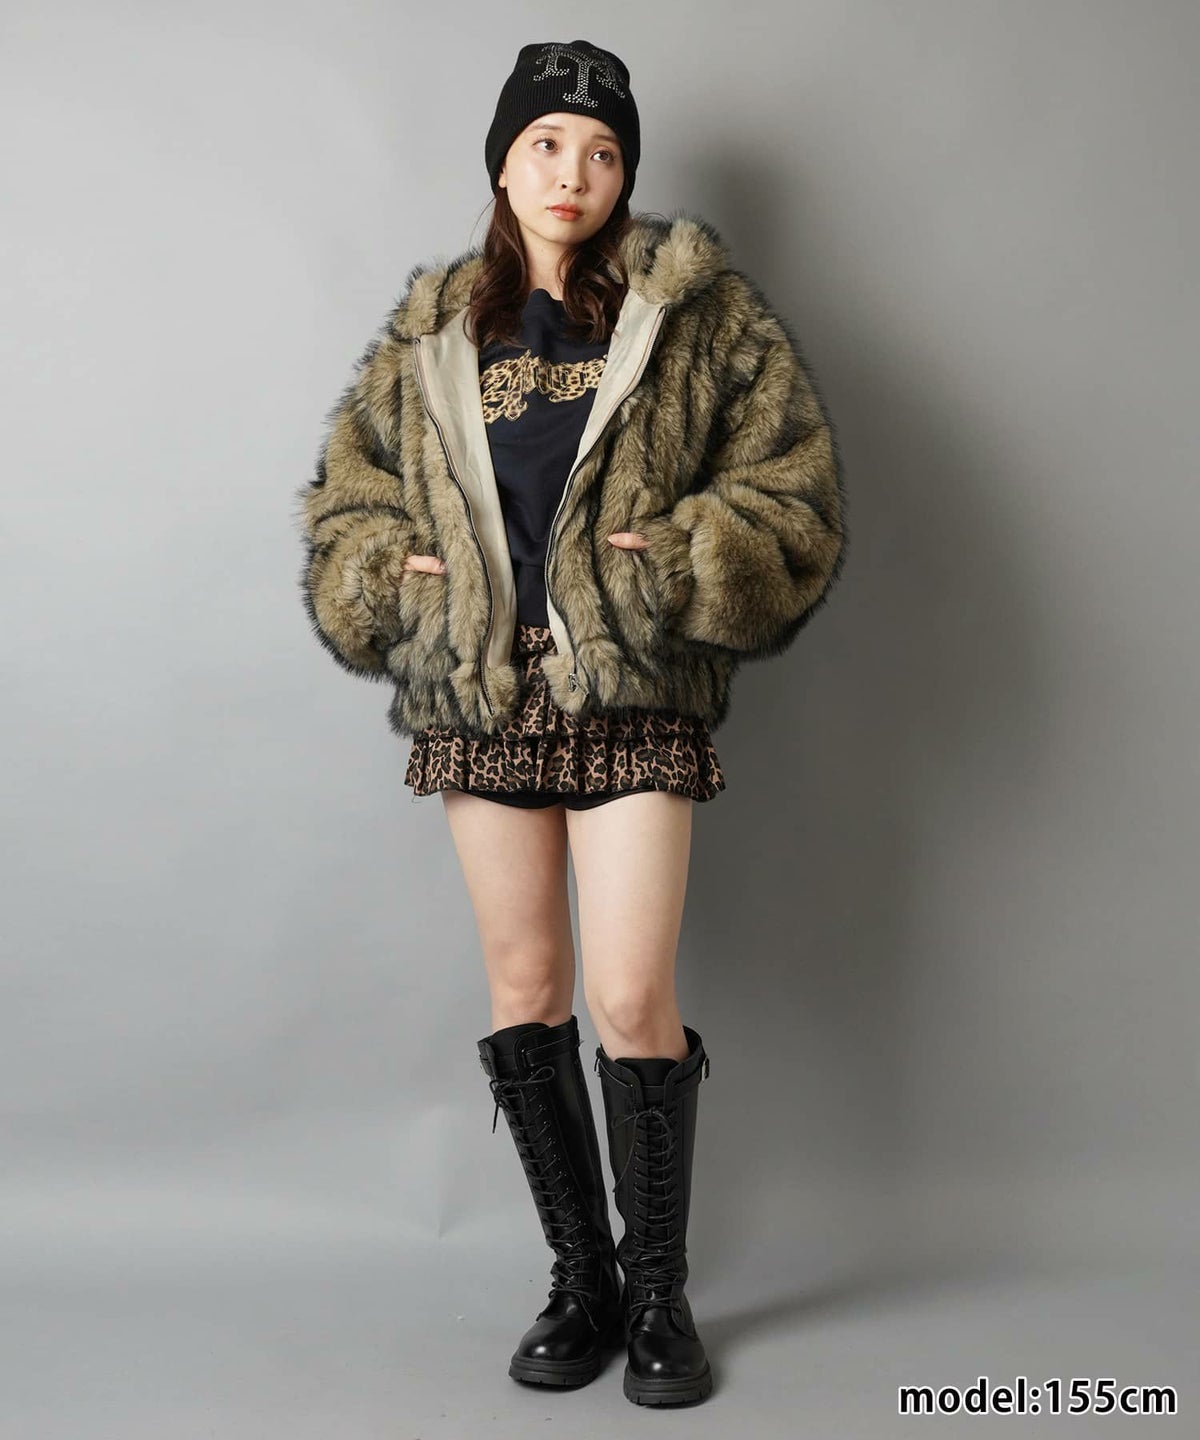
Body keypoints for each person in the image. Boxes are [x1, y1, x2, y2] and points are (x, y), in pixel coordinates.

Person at [295, 38, 847, 1408]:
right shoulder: (431, 336)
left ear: (624, 176)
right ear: (504, 163)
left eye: (602, 153)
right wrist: (389, 575)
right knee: (527, 991)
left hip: (633, 695)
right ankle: (580, 1281)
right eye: (546, 144)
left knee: (630, 994)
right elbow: (347, 505)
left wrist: (686, 557)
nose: (574, 173)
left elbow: (795, 493)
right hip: (485, 698)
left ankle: (659, 1295)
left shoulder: (696, 319)